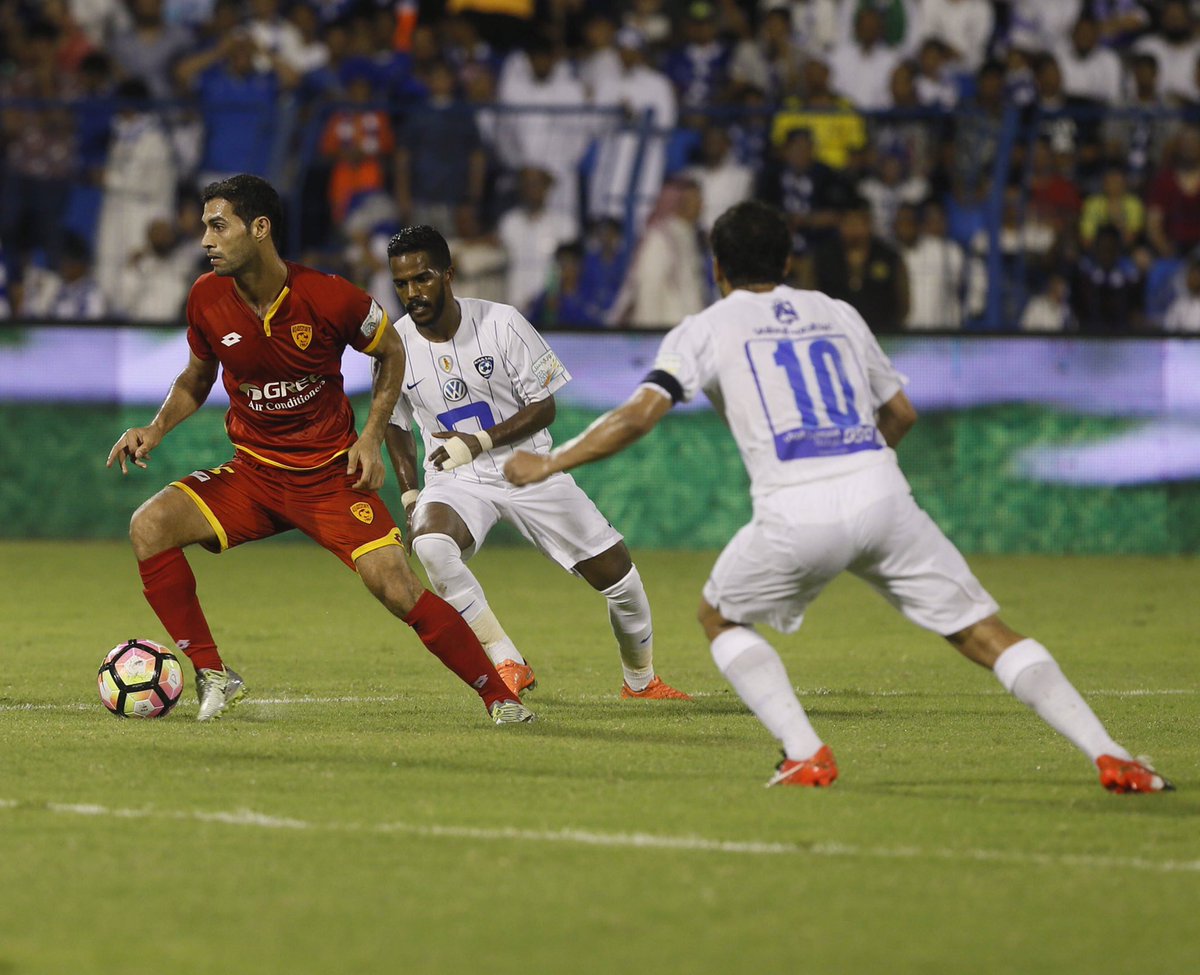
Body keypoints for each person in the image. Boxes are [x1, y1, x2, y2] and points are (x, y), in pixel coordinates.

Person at [504, 200, 1173, 794]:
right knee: (982, 630)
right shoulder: (838, 312)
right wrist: (864, 465)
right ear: (789, 258)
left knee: (719, 615)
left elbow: (640, 413)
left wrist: (553, 461)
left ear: (717, 267)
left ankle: (805, 752)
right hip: (883, 493)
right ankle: (1113, 754)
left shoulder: (706, 327)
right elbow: (902, 412)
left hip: (796, 509)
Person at [106, 175, 533, 726]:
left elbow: (392, 350)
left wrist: (372, 436)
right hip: (254, 475)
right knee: (150, 526)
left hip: (330, 478)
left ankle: (500, 696)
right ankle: (214, 673)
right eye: (204, 227)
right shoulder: (205, 298)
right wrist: (156, 428)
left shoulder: (330, 296)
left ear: (259, 229)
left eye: (219, 225)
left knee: (397, 587)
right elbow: (196, 377)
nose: (206, 240)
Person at [382, 224, 690, 703]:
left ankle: (641, 681)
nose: (411, 293)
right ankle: (505, 658)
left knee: (622, 582)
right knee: (431, 543)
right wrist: (410, 492)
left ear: (448, 274)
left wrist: (479, 441)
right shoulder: (393, 347)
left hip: (529, 469)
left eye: (421, 279)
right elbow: (394, 423)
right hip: (456, 478)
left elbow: (544, 407)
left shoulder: (502, 323)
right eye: (401, 284)